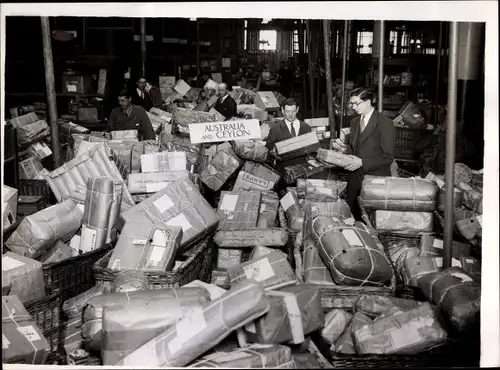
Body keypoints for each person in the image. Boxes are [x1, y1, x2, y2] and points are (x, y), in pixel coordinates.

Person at [342, 87, 396, 220]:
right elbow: (355, 149)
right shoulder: (354, 122)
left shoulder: (384, 123)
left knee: (371, 221)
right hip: (355, 179)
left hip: (375, 181)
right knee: (353, 217)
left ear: (368, 102)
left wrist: (362, 162)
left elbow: (388, 157)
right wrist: (343, 149)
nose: (353, 107)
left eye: (356, 103)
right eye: (351, 103)